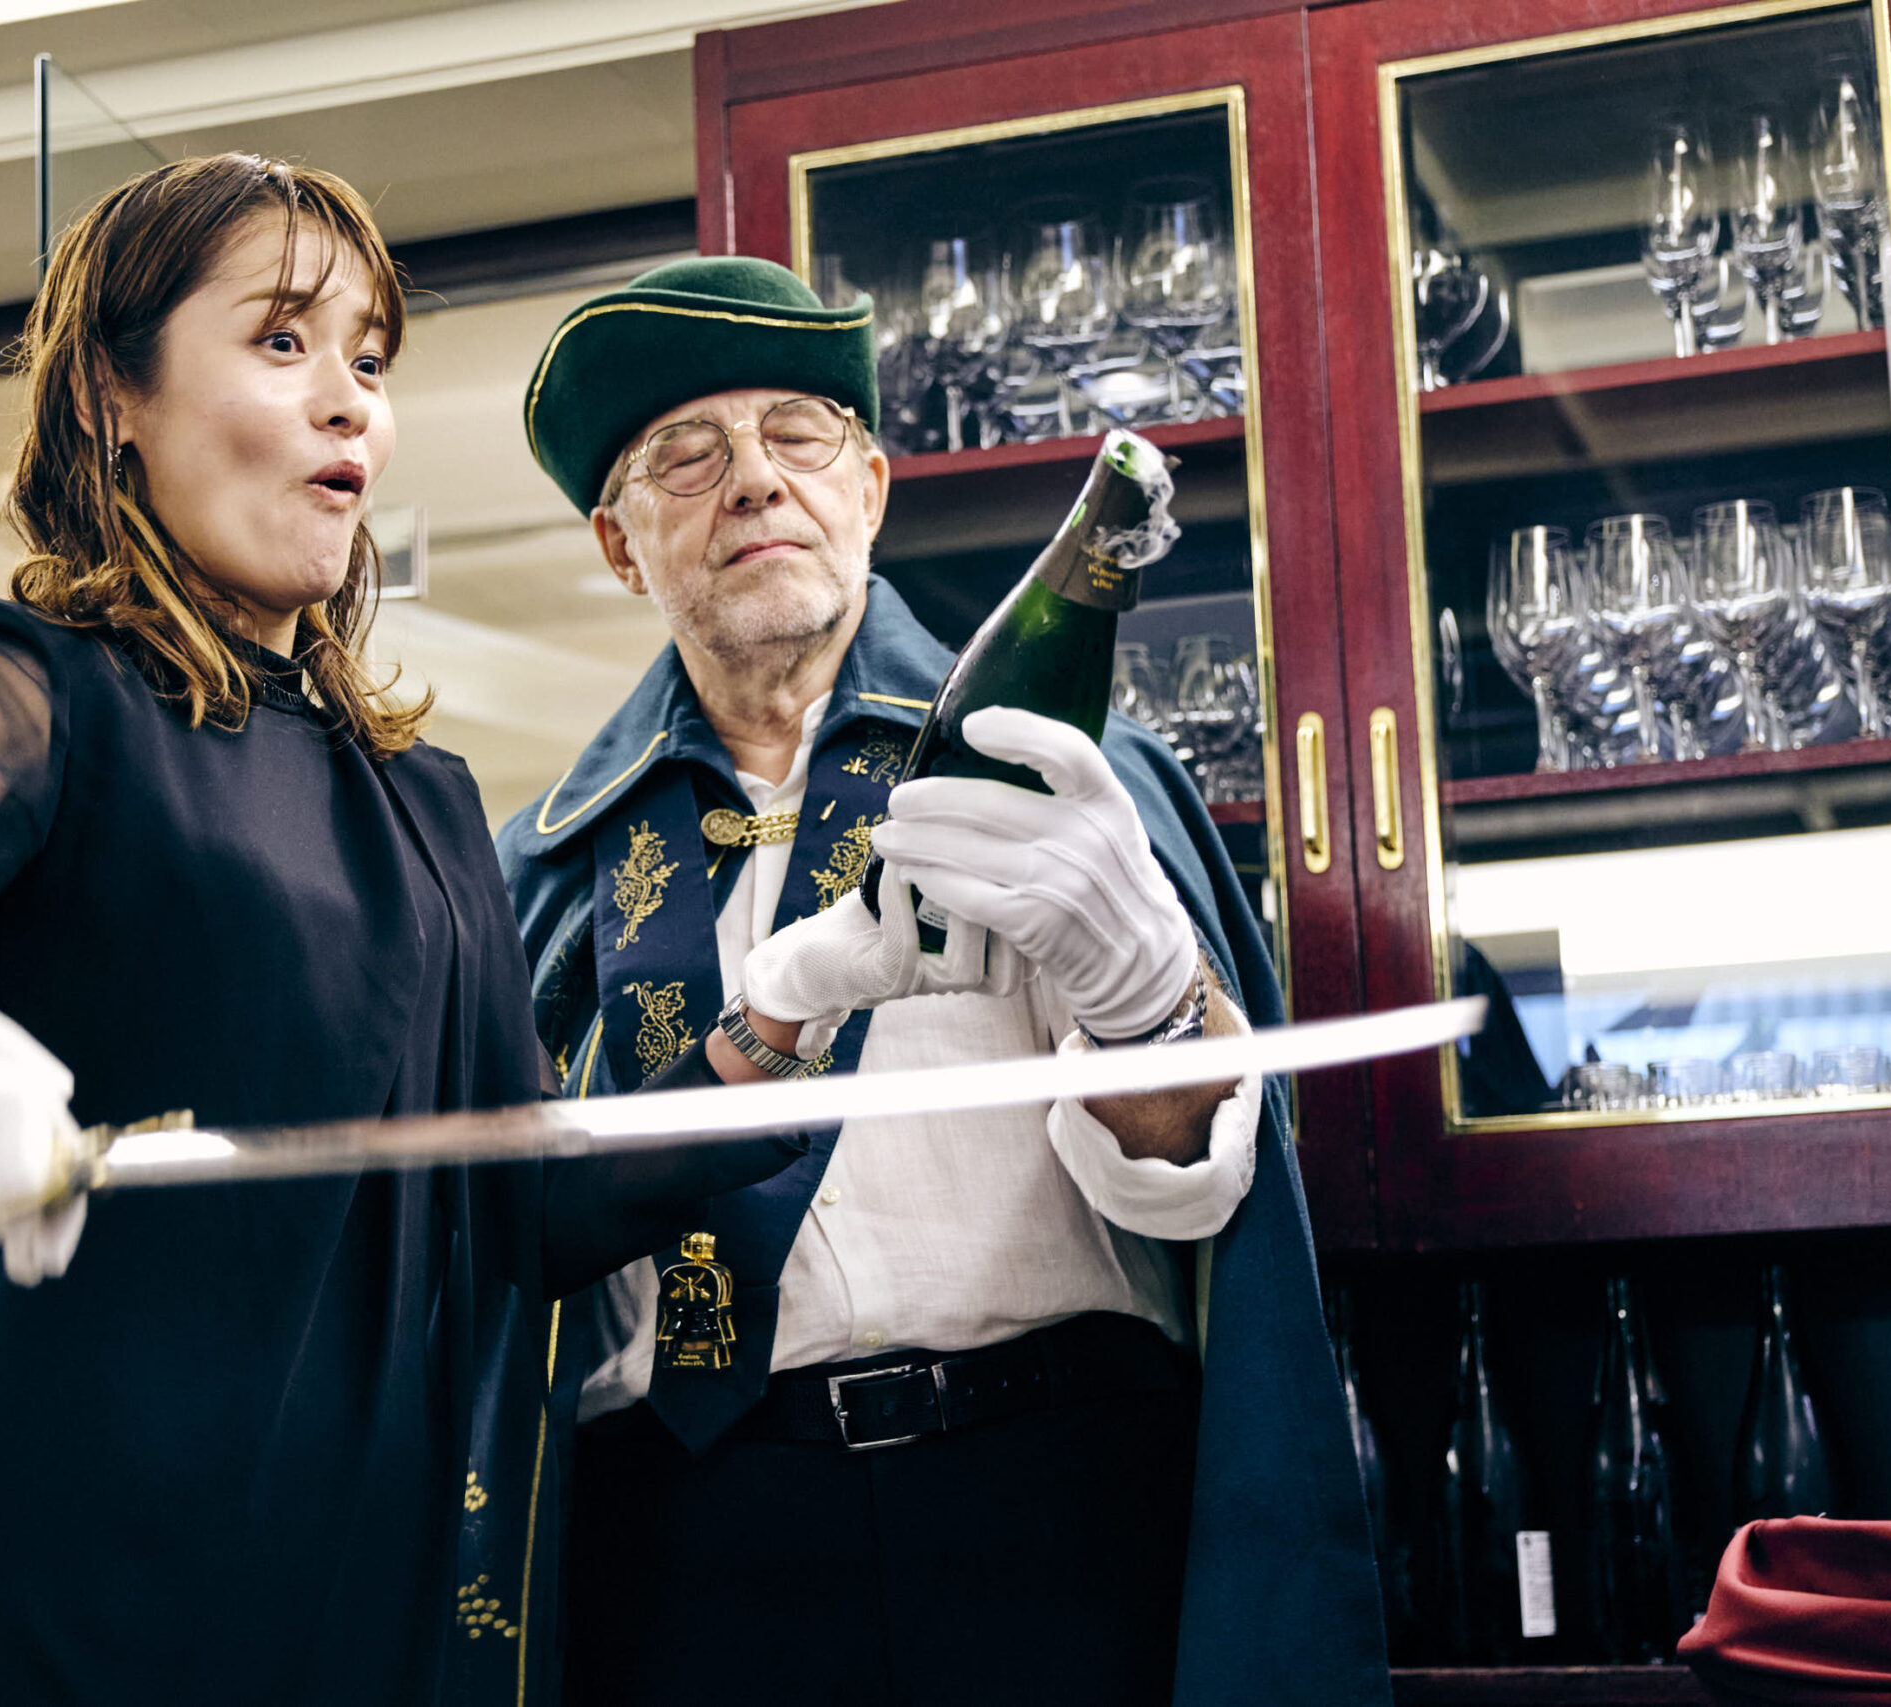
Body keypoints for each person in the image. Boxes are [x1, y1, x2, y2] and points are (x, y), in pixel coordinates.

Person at [0, 160, 833, 1707]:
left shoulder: (422, 797)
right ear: (111, 400)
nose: (350, 403)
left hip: (355, 1601)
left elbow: (525, 1204)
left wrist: (777, 1023)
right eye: (282, 341)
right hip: (64, 1592)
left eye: (368, 358)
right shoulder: (41, 689)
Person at [495, 256, 1393, 1706]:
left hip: (1051, 1511)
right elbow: (499, 1254)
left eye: (798, 435)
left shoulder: (1065, 770)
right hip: (687, 1559)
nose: (754, 481)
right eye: (686, 455)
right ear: (619, 545)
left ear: (870, 487)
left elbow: (1197, 1192)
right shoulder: (533, 870)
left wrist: (1152, 1002)